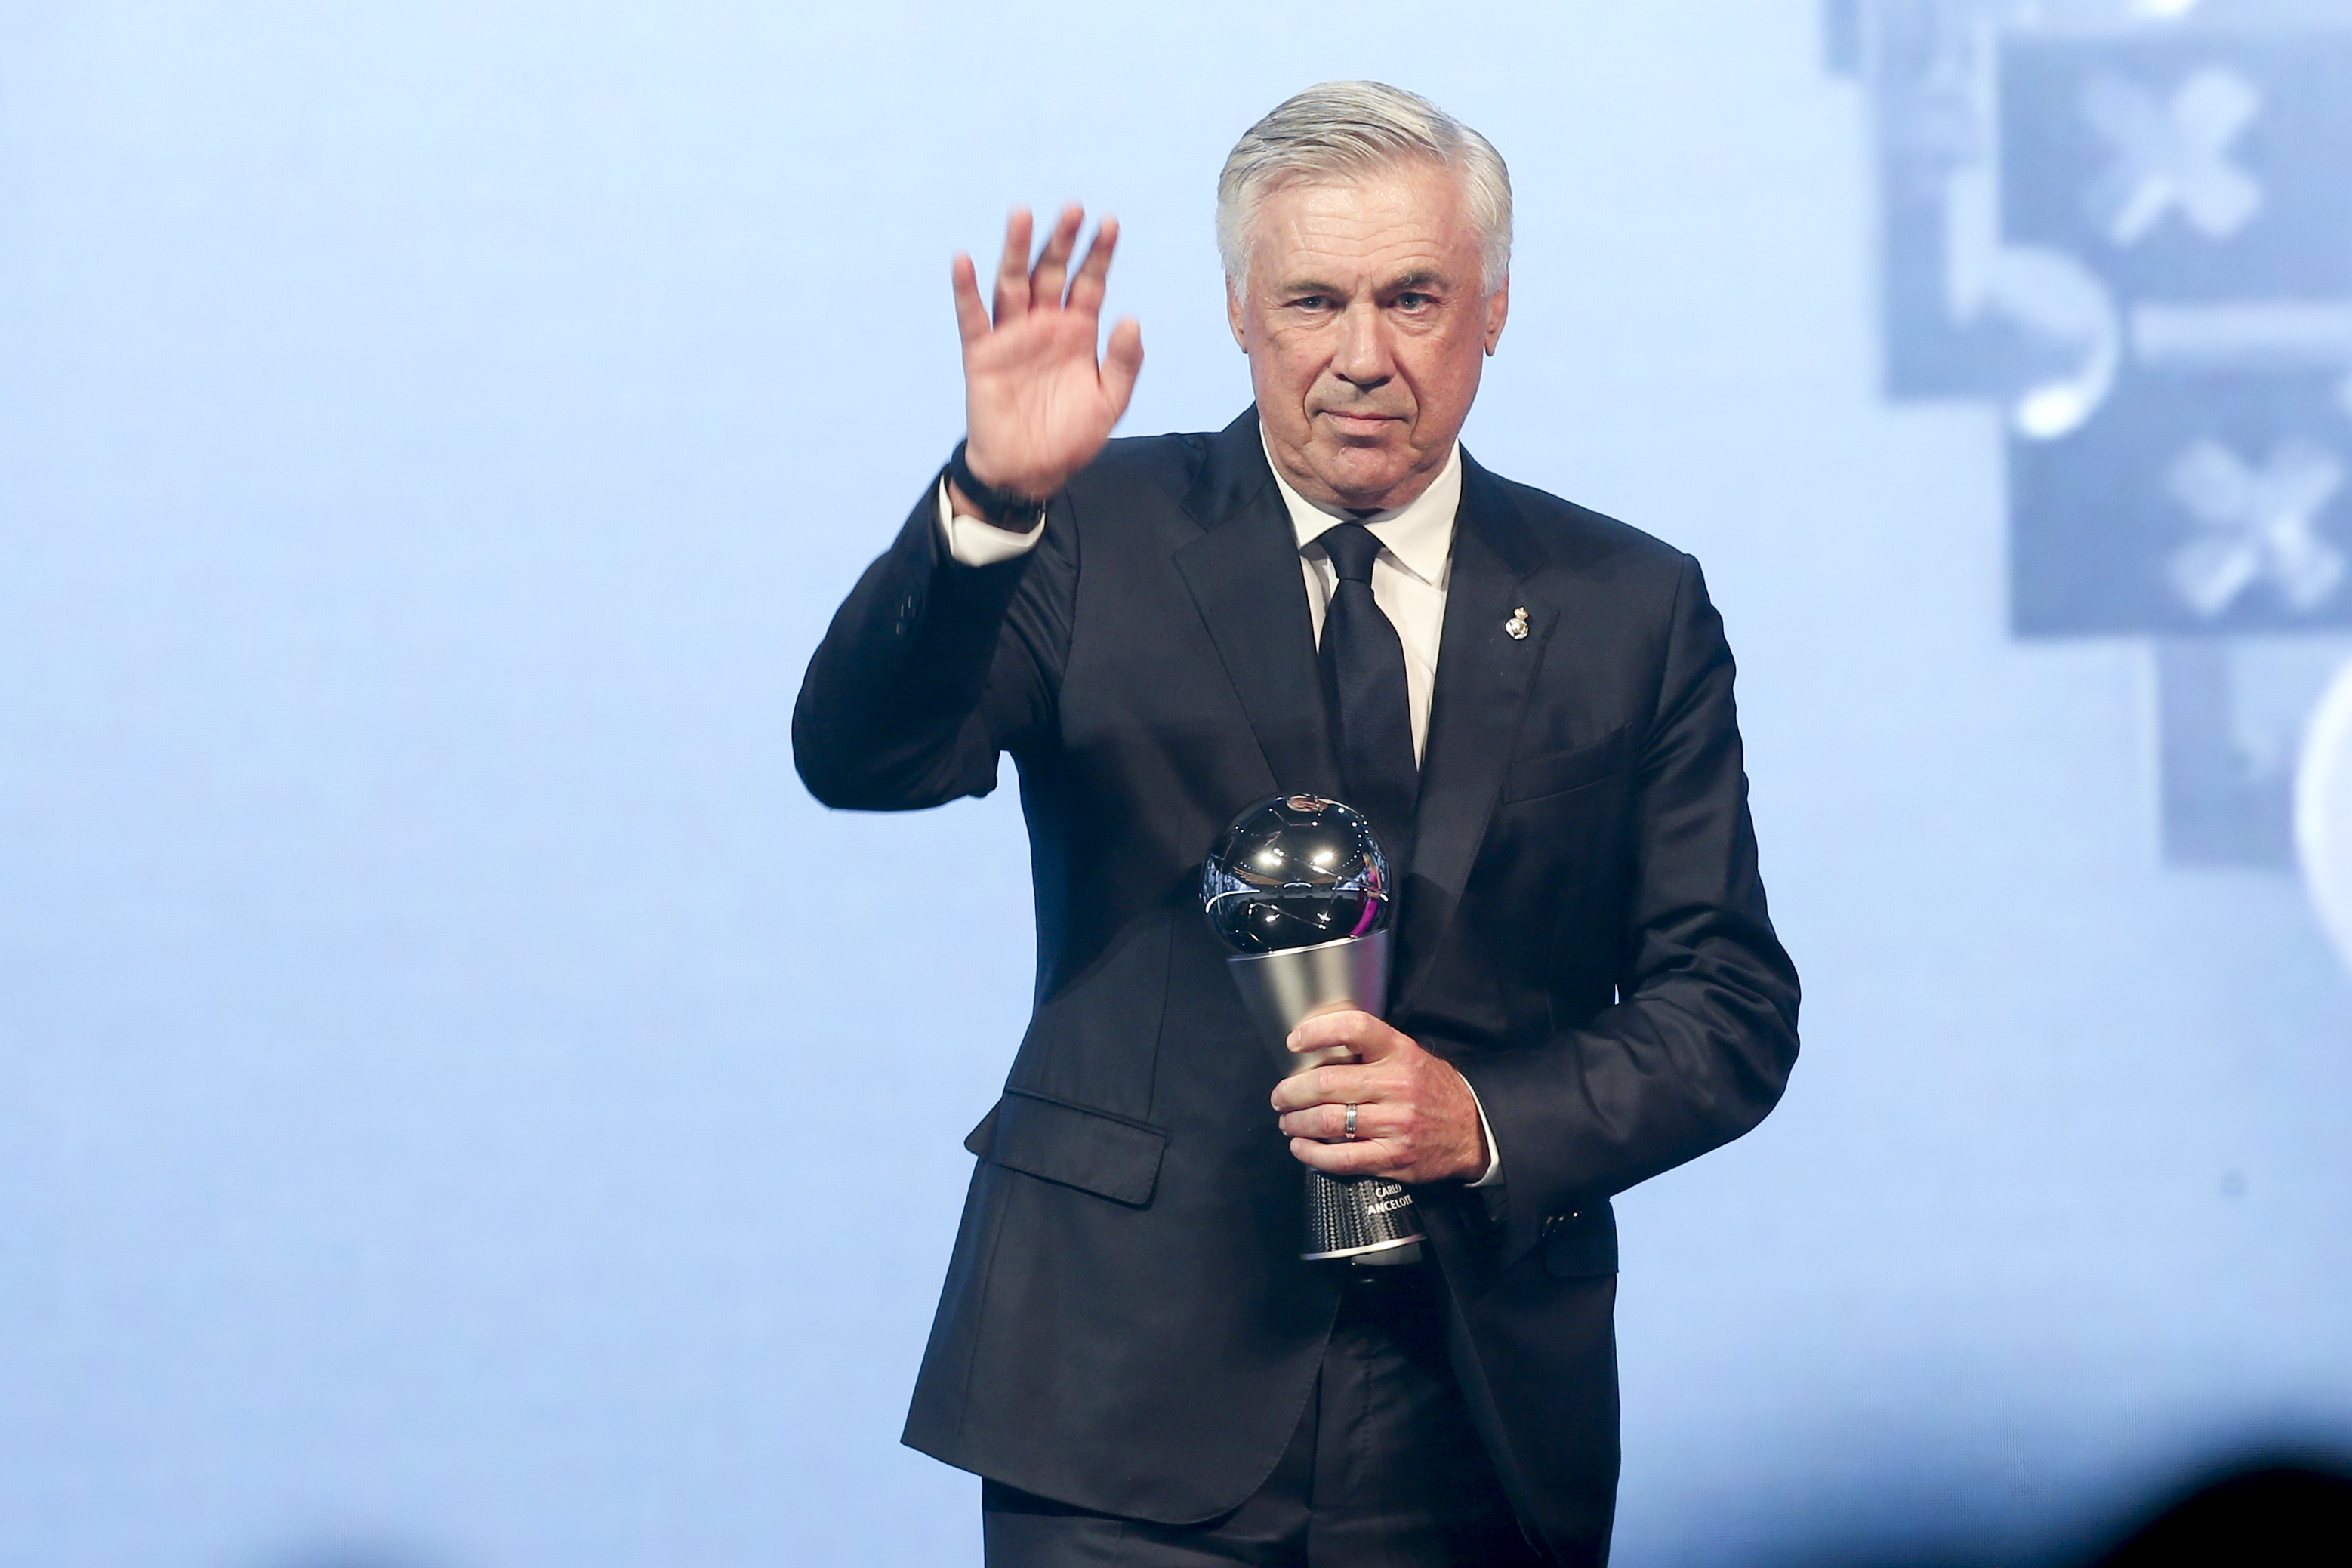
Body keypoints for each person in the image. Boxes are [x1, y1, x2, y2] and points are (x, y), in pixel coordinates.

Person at [795, 81, 1799, 1567]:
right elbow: (864, 755)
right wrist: (988, 504)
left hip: (1474, 1403)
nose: (1362, 357)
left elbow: (1725, 1007)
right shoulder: (1087, 527)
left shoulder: (1625, 605)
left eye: (1413, 297)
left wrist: (1478, 1120)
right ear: (1240, 317)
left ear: (1495, 310)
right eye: (1313, 301)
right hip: (1119, 1393)